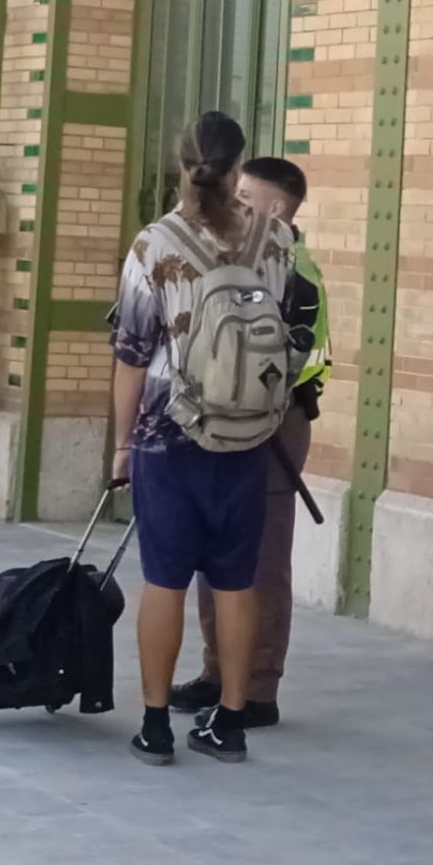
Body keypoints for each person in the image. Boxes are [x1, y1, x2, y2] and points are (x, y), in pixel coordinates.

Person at [110, 112, 295, 766]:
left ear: (181, 161)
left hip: (169, 432)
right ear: (239, 165)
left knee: (165, 581)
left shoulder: (154, 244)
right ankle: (231, 722)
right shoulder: (276, 240)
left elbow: (132, 353)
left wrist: (122, 446)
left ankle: (156, 725)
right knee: (236, 583)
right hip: (247, 434)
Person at [170, 155, 329, 728]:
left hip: (274, 422)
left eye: (245, 196)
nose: (234, 204)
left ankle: (258, 686)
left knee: (260, 561)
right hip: (224, 417)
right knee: (219, 554)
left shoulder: (293, 267)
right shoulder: (246, 257)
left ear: (277, 208)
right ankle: (218, 671)